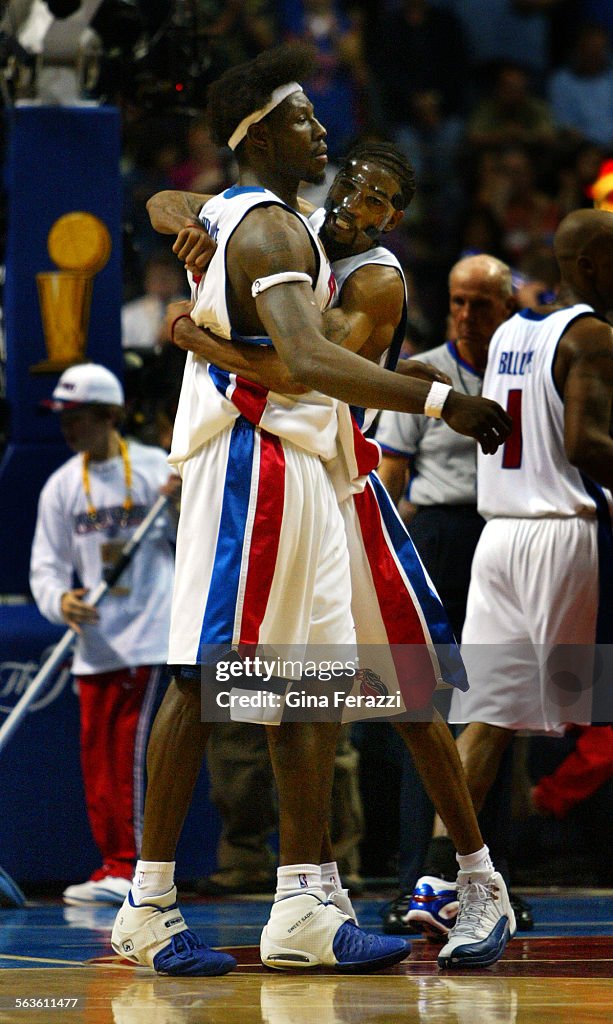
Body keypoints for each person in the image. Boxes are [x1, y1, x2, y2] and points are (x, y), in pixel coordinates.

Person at [110, 43, 511, 978]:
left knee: (334, 688)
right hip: (265, 462)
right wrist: (444, 400)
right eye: (301, 118)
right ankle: (157, 899)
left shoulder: (349, 263)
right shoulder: (276, 230)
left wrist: (195, 327)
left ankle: (308, 896)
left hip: (326, 473)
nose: (320, 132)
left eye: (375, 186)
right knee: (211, 679)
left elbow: (293, 354)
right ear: (256, 135)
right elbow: (304, 364)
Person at [436, 207, 613, 965]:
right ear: (596, 265)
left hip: (496, 537)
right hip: (560, 535)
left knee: (487, 718)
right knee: (576, 703)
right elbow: (583, 444)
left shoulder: (510, 333)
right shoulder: (593, 337)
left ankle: (445, 879)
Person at [29, 364, 178, 907]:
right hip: (94, 645)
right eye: (62, 418)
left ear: (110, 415)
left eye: (78, 417)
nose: (68, 428)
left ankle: (139, 868)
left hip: (148, 636)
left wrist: (184, 501)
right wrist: (58, 601)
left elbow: (193, 540)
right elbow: (46, 567)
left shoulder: (158, 470)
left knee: (132, 756)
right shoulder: (63, 485)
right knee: (99, 761)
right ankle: (112, 864)